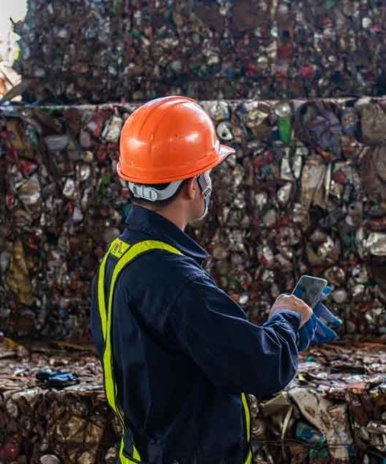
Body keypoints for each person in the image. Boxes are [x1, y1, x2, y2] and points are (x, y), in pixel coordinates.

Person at [90, 96, 313, 464]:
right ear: (193, 186)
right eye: (207, 172)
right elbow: (263, 368)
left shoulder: (120, 256)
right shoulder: (176, 280)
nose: (209, 182)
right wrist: (286, 318)